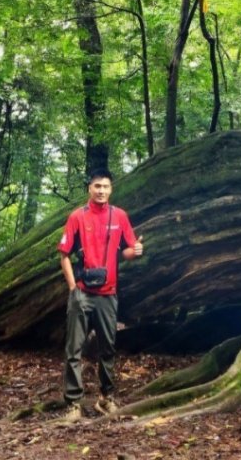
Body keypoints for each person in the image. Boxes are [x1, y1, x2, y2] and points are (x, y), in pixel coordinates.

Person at [57, 167, 143, 419]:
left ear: (111, 189)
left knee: (108, 348)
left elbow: (126, 251)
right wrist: (73, 289)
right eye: (97, 186)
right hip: (82, 292)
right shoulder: (77, 217)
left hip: (108, 294)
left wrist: (135, 251)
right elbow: (64, 254)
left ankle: (106, 398)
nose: (101, 191)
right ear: (89, 188)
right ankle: (73, 403)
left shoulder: (120, 216)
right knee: (74, 349)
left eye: (105, 186)